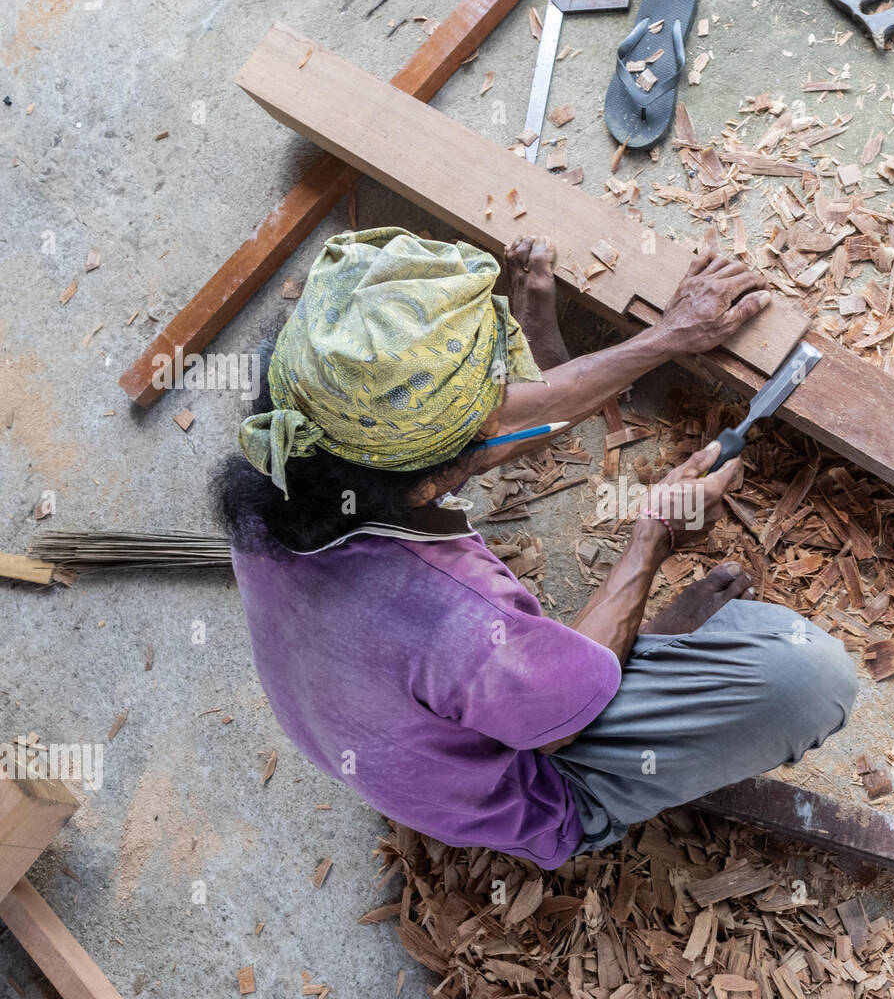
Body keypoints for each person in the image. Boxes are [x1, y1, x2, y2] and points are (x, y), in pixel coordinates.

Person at [218, 226, 858, 868]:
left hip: (362, 721)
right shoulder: (459, 616)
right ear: (440, 475)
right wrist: (649, 545)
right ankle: (621, 651)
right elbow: (564, 727)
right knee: (808, 676)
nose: (516, 400)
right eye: (500, 392)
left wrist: (669, 336)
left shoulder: (289, 460)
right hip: (526, 786)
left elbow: (492, 435)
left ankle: (603, 642)